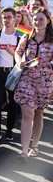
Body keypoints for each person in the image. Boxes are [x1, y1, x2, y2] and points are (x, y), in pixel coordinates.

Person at [14, 8, 53, 161]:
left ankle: (35, 146)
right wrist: (19, 62)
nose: (37, 22)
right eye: (35, 19)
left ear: (48, 21)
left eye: (41, 19)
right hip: (27, 79)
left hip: (45, 81)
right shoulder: (27, 37)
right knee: (27, 113)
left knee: (38, 113)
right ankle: (24, 151)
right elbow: (18, 52)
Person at [0, 7, 20, 143]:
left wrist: (13, 53)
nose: (6, 20)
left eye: (9, 17)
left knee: (13, 102)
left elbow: (24, 57)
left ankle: (9, 130)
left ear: (15, 18)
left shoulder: (19, 36)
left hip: (13, 72)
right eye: (4, 17)